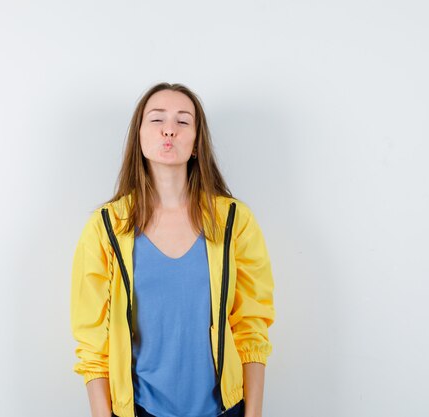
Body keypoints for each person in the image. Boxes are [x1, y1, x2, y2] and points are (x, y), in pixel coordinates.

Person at [70, 82, 275, 417]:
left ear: (196, 143)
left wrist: (253, 414)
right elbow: (93, 342)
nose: (169, 129)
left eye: (183, 121)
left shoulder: (234, 221)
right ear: (139, 136)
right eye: (156, 120)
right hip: (140, 410)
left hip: (224, 410)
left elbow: (252, 325)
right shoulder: (106, 227)